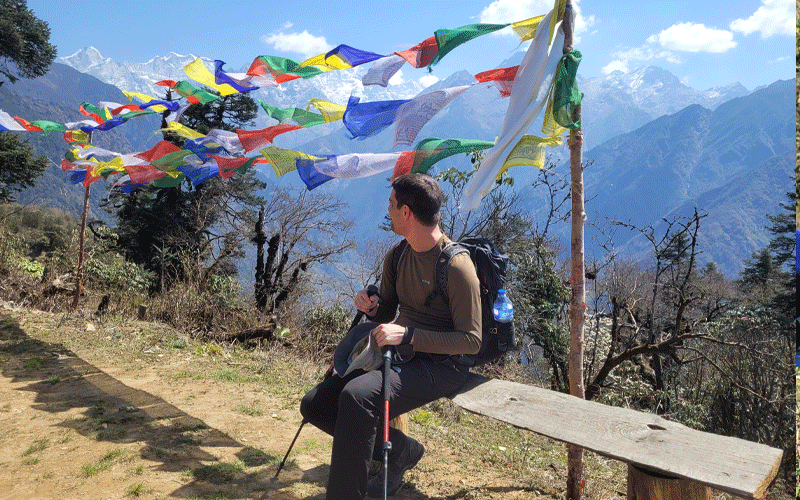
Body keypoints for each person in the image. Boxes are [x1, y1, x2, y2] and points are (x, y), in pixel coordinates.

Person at [300, 173, 482, 499]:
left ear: (406, 212)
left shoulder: (457, 267)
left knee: (358, 397)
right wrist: (371, 306)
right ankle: (401, 450)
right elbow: (385, 312)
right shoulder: (398, 255)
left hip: (443, 364)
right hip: (400, 352)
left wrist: (408, 334)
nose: (388, 210)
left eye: (391, 204)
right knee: (316, 404)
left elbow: (470, 341)